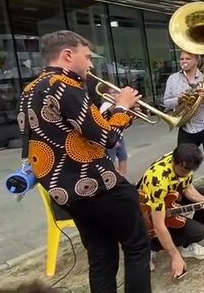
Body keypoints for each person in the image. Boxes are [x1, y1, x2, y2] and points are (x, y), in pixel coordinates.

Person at [17, 30, 149, 292]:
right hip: (99, 184)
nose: (90, 64)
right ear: (68, 55)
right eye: (87, 57)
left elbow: (78, 130)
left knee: (100, 256)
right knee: (136, 246)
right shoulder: (67, 85)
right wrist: (123, 107)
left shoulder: (30, 90)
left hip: (67, 193)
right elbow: (107, 138)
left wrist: (118, 112)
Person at [138, 144, 204, 278]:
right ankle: (151, 245)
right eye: (185, 170)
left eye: (190, 171)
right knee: (199, 232)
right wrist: (175, 256)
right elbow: (158, 225)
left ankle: (187, 245)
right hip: (149, 214)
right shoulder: (158, 181)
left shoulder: (186, 163)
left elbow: (188, 189)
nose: (187, 174)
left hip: (169, 200)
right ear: (177, 163)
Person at [164, 51, 204, 198]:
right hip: (187, 126)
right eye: (181, 59)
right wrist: (178, 100)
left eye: (187, 58)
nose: (183, 61)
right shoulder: (173, 79)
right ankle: (180, 190)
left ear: (196, 61)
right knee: (181, 159)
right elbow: (166, 103)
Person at [100, 88, 129, 177]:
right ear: (107, 95)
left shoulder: (119, 105)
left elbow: (125, 123)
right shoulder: (105, 106)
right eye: (113, 92)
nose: (116, 94)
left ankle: (123, 177)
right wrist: (113, 140)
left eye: (117, 92)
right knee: (111, 159)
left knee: (123, 156)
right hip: (109, 136)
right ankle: (113, 179)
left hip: (119, 135)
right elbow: (103, 124)